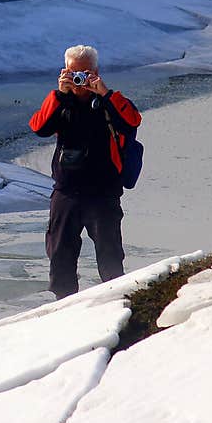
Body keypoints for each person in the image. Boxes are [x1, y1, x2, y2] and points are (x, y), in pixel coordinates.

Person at [28, 45, 142, 299]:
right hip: (67, 191)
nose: (80, 79)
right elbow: (39, 128)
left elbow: (133, 121)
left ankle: (116, 302)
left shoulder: (109, 102)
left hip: (103, 192)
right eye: (74, 73)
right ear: (65, 72)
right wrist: (59, 94)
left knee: (110, 254)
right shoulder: (61, 102)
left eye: (86, 72)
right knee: (60, 254)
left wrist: (106, 94)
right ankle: (63, 306)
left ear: (97, 72)